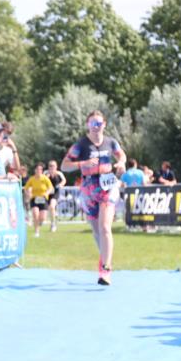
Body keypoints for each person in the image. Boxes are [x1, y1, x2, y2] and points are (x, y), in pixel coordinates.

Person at [61, 110, 126, 285]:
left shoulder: (111, 142)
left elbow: (121, 155)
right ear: (87, 125)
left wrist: (121, 163)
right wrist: (83, 163)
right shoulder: (80, 145)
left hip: (108, 187)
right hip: (88, 188)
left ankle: (105, 270)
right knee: (97, 232)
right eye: (92, 124)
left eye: (99, 123)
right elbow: (64, 165)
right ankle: (105, 259)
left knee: (105, 227)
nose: (96, 127)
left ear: (104, 124)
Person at [23, 163, 54, 238]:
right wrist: (28, 194)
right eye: (37, 169)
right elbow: (26, 188)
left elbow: (50, 188)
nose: (39, 171)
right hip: (34, 198)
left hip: (43, 198)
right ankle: (37, 231)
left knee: (42, 218)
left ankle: (40, 222)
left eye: (40, 169)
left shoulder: (45, 178)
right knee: (35, 213)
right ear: (35, 170)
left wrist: (46, 193)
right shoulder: (32, 179)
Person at [45, 160, 66, 232]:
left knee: (52, 206)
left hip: (55, 193)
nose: (51, 167)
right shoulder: (45, 173)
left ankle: (53, 224)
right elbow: (42, 181)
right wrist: (47, 177)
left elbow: (64, 180)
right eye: (50, 166)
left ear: (56, 166)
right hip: (47, 193)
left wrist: (61, 184)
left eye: (53, 165)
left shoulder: (59, 173)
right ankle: (54, 216)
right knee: (50, 209)